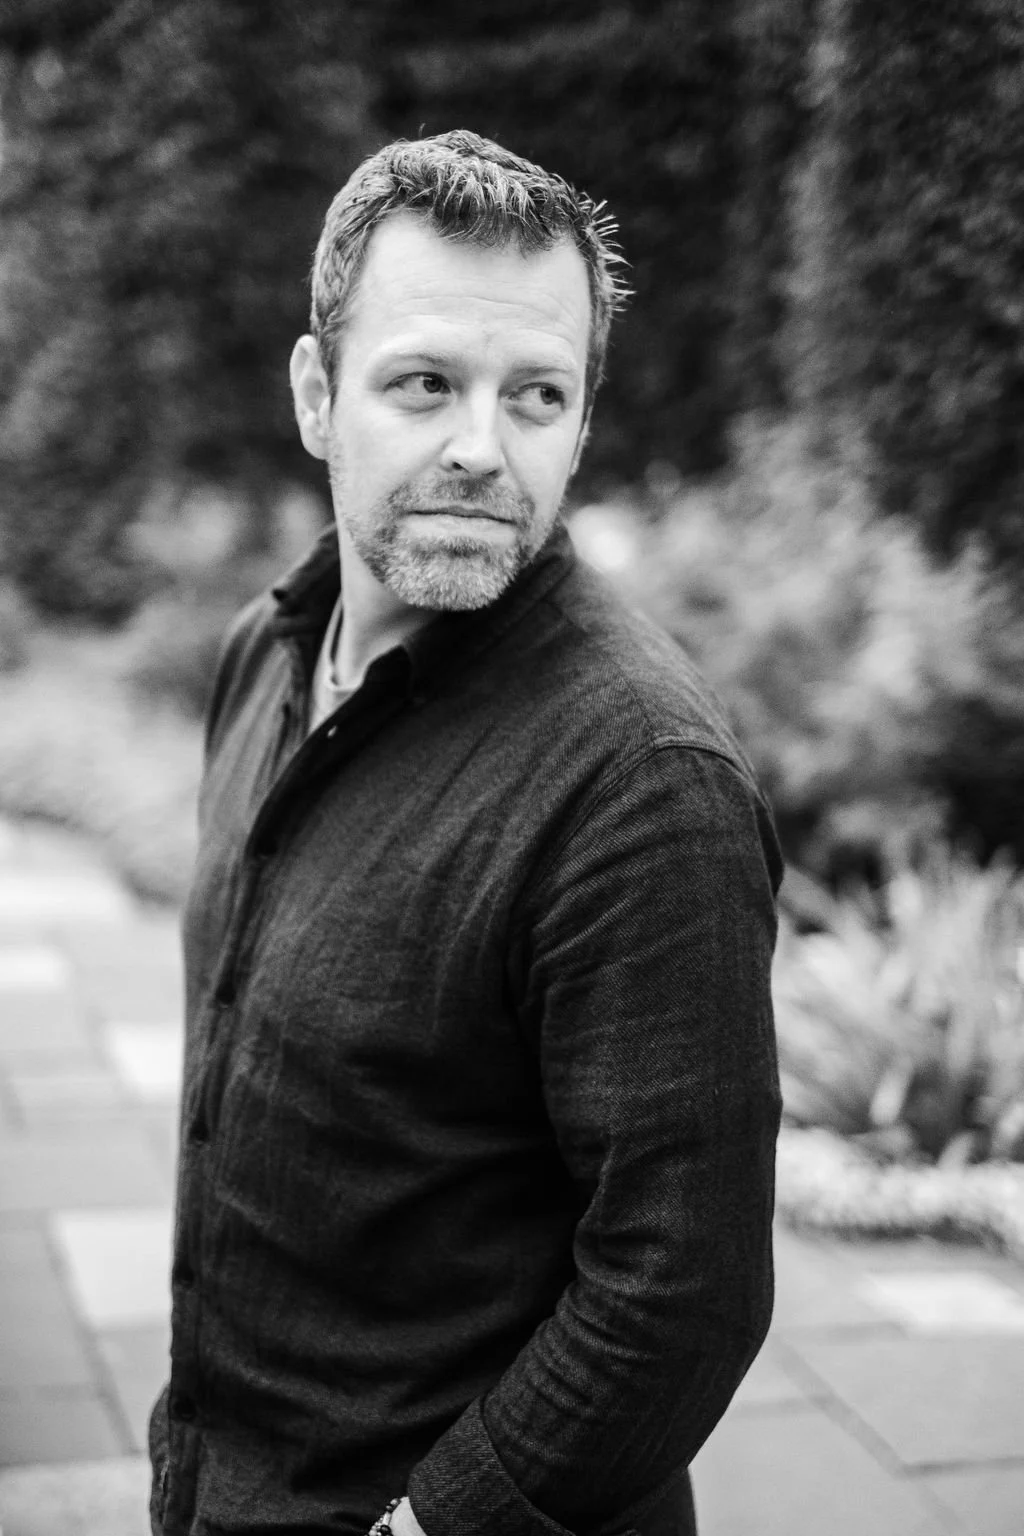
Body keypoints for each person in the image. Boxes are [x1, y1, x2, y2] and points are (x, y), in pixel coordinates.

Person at [148, 129, 782, 1536]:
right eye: (425, 381)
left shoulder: (639, 776)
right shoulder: (265, 651)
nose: (482, 448)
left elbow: (685, 1286)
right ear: (319, 395)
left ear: (583, 421)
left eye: (538, 395)